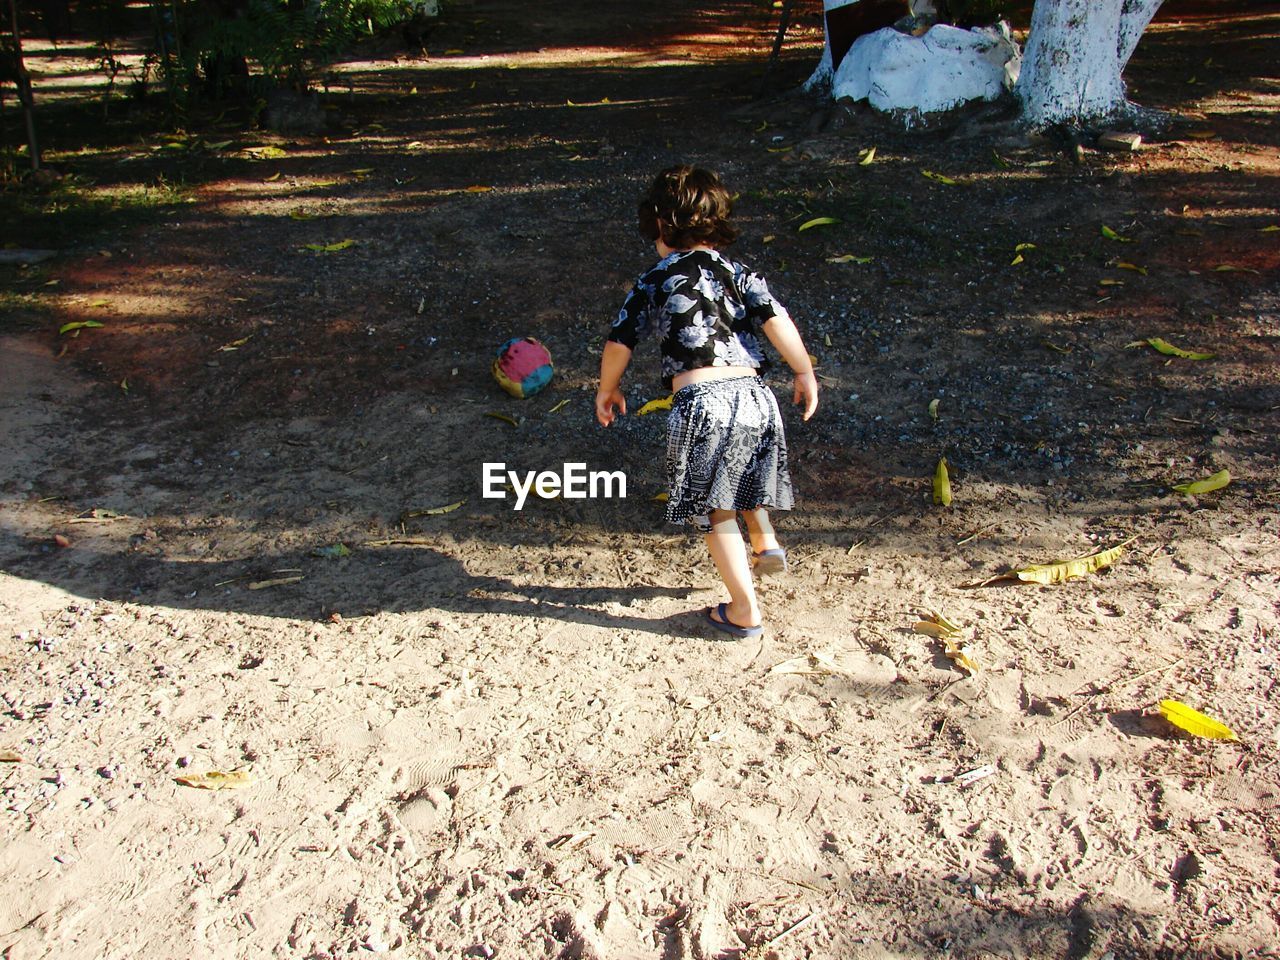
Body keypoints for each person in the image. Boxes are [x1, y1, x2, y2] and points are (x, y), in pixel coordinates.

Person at [595, 165, 819, 638]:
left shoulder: (655, 278)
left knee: (717, 507)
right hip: (756, 397)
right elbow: (777, 320)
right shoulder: (739, 273)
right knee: (744, 478)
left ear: (658, 225)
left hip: (702, 402)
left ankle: (743, 610)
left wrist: (607, 388)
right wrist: (802, 370)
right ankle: (766, 540)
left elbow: (620, 341)